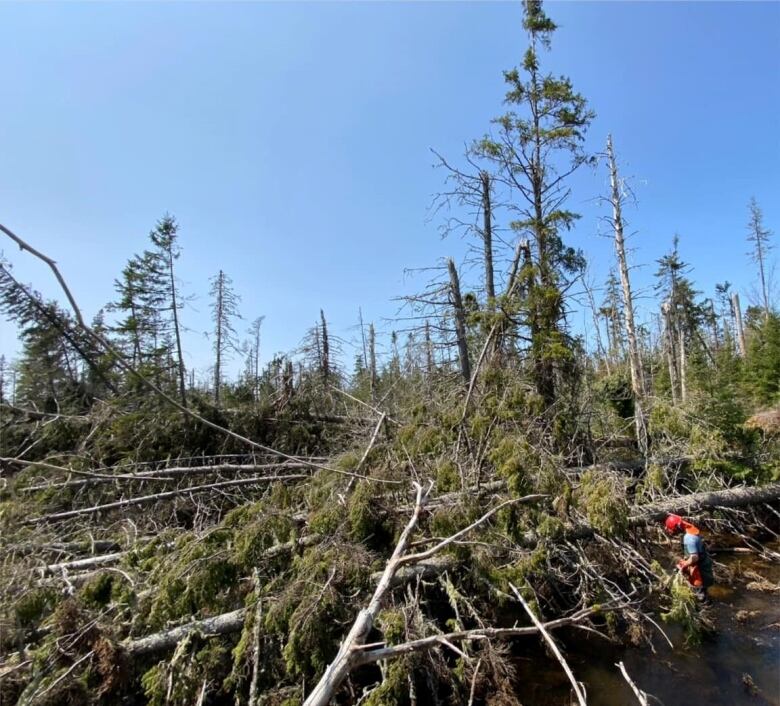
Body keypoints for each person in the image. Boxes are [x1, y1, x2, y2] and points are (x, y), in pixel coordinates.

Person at [664, 514, 714, 602]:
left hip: (700, 568)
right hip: (702, 563)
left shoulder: (689, 538)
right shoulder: (690, 529)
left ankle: (705, 606)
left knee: (700, 592)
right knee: (702, 589)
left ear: (677, 527)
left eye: (673, 530)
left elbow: (694, 557)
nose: (673, 532)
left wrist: (684, 564)